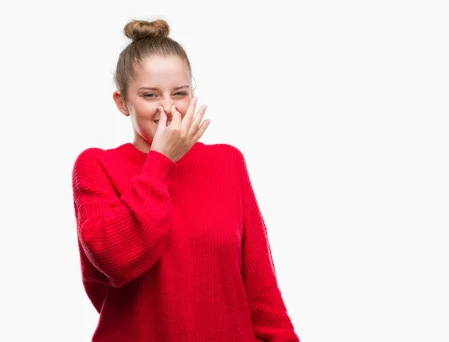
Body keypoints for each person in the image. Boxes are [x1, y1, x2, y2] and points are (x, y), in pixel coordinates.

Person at [71, 18, 299, 341]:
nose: (167, 108)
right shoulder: (96, 166)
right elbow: (116, 262)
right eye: (149, 95)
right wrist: (161, 162)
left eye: (179, 93)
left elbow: (263, 297)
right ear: (122, 103)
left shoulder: (228, 163)